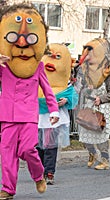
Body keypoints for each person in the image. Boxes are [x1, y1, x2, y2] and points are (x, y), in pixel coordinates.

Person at [0, 3, 59, 199]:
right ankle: (8, 189)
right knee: (7, 154)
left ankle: (38, 175)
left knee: (27, 149)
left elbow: (47, 90)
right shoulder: (4, 65)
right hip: (8, 115)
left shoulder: (38, 67)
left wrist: (54, 111)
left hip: (28, 115)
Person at [37, 43, 79, 185]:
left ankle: (49, 172)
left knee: (50, 145)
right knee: (38, 146)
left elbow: (73, 97)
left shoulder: (64, 84)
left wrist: (65, 100)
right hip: (37, 117)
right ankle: (40, 170)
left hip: (54, 119)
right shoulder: (37, 80)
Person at [77, 38, 110, 170]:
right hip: (89, 105)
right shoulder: (87, 74)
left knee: (100, 134)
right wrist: (87, 89)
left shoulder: (107, 76)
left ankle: (105, 160)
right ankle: (92, 154)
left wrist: (102, 98)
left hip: (101, 108)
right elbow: (81, 89)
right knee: (85, 132)